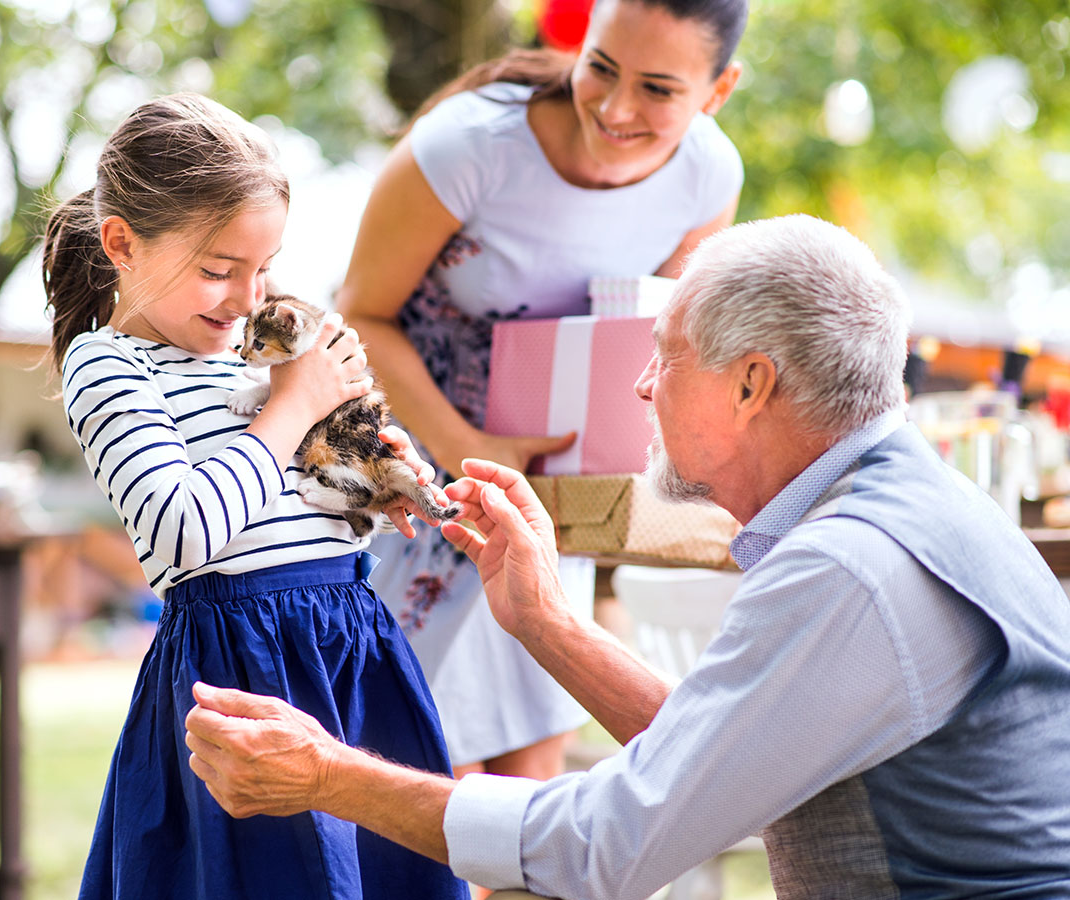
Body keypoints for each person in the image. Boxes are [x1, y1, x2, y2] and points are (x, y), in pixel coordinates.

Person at [184, 215, 1070, 898]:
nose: (643, 386)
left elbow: (609, 846)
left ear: (752, 383)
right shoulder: (908, 505)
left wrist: (328, 774)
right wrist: (545, 622)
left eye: (664, 356)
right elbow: (720, 761)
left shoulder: (854, 568)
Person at [42, 92, 467, 900]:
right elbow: (184, 532)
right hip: (242, 674)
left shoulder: (255, 361)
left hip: (349, 651)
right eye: (217, 270)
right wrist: (294, 405)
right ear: (121, 243)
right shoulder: (110, 368)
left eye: (263, 268)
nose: (246, 297)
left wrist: (373, 484)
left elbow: (297, 506)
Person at [336, 0, 747, 784]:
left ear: (718, 89)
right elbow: (360, 313)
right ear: (577, 42)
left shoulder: (708, 174)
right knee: (411, 755)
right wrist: (470, 453)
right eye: (600, 66)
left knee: (530, 768)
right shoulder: (470, 143)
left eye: (659, 89)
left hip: (555, 490)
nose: (617, 108)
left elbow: (663, 346)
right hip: (418, 471)